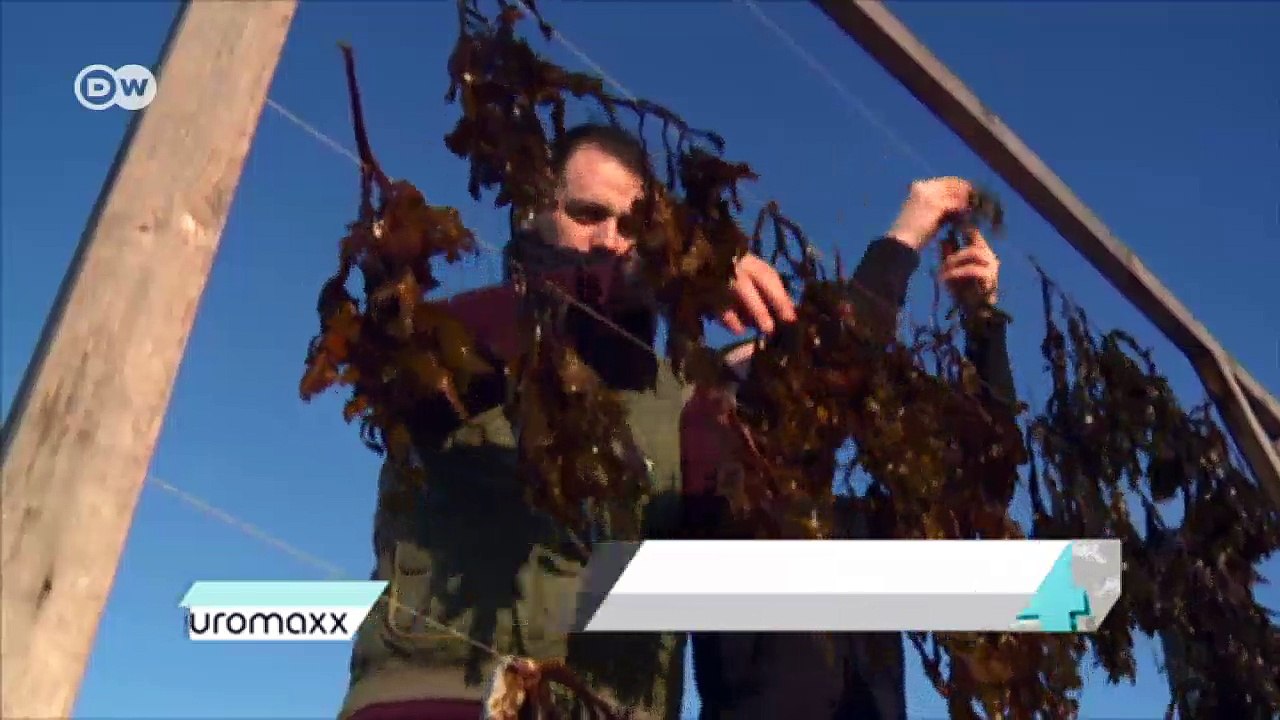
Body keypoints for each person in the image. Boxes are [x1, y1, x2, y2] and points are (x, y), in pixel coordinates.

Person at [337, 119, 1013, 719]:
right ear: (533, 215)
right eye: (586, 212)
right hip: (441, 702)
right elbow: (406, 360)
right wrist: (664, 272)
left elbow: (821, 379)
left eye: (631, 228)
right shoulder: (467, 336)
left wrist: (913, 242)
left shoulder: (681, 407)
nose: (609, 241)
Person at [681, 177, 1017, 720]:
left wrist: (984, 324)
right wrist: (909, 229)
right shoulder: (714, 500)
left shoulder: (860, 534)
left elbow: (987, 476)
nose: (781, 376)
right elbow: (828, 367)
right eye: (759, 373)